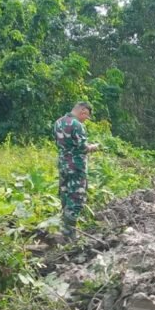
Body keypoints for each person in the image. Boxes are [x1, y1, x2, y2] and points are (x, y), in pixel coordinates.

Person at [54, 101, 99, 236]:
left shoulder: (58, 122)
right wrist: (94, 147)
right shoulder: (77, 125)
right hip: (76, 166)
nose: (86, 119)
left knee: (65, 195)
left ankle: (63, 229)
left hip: (63, 165)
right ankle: (69, 234)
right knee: (76, 198)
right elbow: (82, 148)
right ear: (83, 111)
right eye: (86, 116)